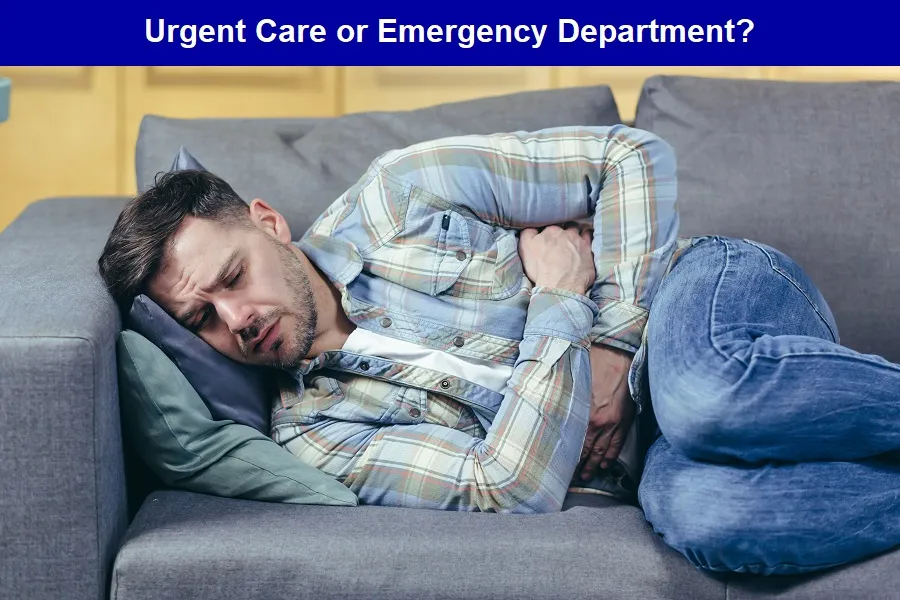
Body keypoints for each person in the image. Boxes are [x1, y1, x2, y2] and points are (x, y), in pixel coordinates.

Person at [97, 124, 900, 578]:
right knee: (712, 519)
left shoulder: (399, 194)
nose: (235, 319)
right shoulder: (316, 436)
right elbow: (509, 488)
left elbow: (629, 157)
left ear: (268, 222)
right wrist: (556, 300)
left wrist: (614, 344)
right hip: (652, 460)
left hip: (701, 302)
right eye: (201, 320)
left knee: (701, 398)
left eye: (232, 277)